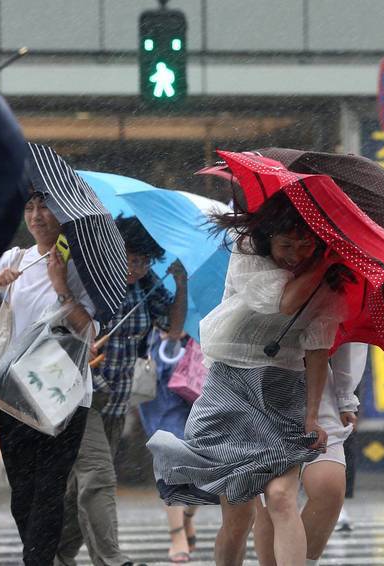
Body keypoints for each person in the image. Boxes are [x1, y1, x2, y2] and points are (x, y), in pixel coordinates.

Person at [148, 192, 353, 566]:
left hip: (283, 389)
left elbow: (318, 349)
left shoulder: (331, 281)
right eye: (285, 244)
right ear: (268, 238)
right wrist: (323, 265)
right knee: (238, 516)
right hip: (231, 385)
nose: (294, 253)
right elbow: (285, 302)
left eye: (305, 244)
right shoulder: (247, 252)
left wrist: (312, 415)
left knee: (281, 496)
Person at [0, 191, 97, 566]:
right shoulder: (16, 259)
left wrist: (61, 284)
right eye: (29, 207)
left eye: (45, 206)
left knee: (50, 487)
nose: (37, 215)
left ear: (63, 213)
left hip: (65, 394)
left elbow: (88, 332)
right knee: (23, 491)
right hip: (14, 390)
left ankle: (38, 560)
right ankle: (39, 554)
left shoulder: (82, 267)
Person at [56, 216, 184, 566]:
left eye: (142, 261)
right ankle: (111, 560)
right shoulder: (93, 281)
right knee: (98, 477)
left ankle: (55, 553)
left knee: (77, 489)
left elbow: (173, 329)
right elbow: (63, 320)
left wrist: (181, 283)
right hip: (81, 396)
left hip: (116, 398)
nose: (135, 268)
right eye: (129, 258)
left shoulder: (147, 288)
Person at [252, 342, 369, 566]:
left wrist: (345, 397)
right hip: (260, 380)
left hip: (318, 381)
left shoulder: (330, 308)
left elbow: (349, 340)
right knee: (275, 497)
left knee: (329, 487)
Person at [139, 330, 202, 564]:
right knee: (170, 455)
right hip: (161, 367)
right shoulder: (154, 292)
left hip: (199, 363)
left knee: (202, 460)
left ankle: (188, 515)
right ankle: (177, 534)